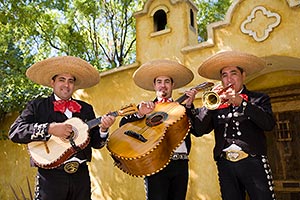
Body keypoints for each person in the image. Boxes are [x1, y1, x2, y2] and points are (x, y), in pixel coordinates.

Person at [9, 56, 116, 200]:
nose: (66, 85)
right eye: (62, 80)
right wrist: (49, 128)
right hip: (50, 177)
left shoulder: (85, 109)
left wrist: (103, 130)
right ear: (52, 82)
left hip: (81, 177)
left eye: (70, 81)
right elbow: (15, 131)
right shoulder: (37, 106)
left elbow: (96, 143)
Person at [192, 51, 276, 200]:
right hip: (226, 165)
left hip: (253, 163)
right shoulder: (215, 103)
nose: (229, 79)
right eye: (224, 75)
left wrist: (243, 104)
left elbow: (268, 124)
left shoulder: (259, 98)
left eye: (233, 73)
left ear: (243, 75)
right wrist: (210, 107)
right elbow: (198, 130)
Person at [119, 59, 200, 200]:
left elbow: (198, 130)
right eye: (159, 82)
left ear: (173, 85)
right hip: (155, 163)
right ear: (154, 86)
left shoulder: (183, 108)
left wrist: (189, 107)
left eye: (167, 81)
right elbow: (123, 125)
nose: (163, 86)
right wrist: (140, 113)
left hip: (180, 164)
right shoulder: (146, 107)